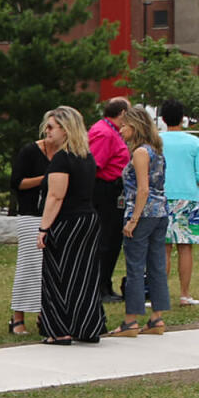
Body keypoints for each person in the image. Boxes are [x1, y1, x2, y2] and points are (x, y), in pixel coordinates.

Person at [36, 106, 105, 345]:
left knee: (59, 274)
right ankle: (87, 326)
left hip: (67, 222)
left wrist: (43, 228)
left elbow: (56, 196)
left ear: (66, 130)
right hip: (88, 220)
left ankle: (60, 329)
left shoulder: (62, 159)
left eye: (52, 127)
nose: (47, 131)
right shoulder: (87, 157)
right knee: (84, 276)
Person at [109, 106, 170, 337]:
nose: (121, 130)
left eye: (124, 126)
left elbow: (143, 189)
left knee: (135, 267)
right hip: (160, 213)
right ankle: (156, 318)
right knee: (156, 266)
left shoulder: (140, 153)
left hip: (143, 214)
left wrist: (133, 220)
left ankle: (130, 320)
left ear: (135, 126)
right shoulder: (157, 151)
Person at [6, 117, 57, 335]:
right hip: (31, 214)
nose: (49, 131)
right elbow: (17, 183)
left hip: (54, 214)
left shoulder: (65, 153)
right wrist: (45, 179)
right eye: (47, 126)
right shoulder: (30, 151)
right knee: (29, 265)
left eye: (53, 127)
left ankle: (44, 313)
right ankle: (17, 316)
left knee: (51, 268)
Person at [160, 99, 199, 307]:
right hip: (188, 197)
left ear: (162, 119)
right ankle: (184, 294)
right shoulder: (194, 142)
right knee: (186, 247)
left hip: (161, 196)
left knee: (163, 248)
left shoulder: (156, 140)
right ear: (183, 118)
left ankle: (159, 294)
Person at [89, 98, 132, 302]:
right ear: (122, 113)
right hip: (104, 190)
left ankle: (105, 283)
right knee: (106, 240)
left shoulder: (112, 132)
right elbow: (95, 165)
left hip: (114, 189)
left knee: (113, 240)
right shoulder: (104, 133)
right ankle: (99, 286)